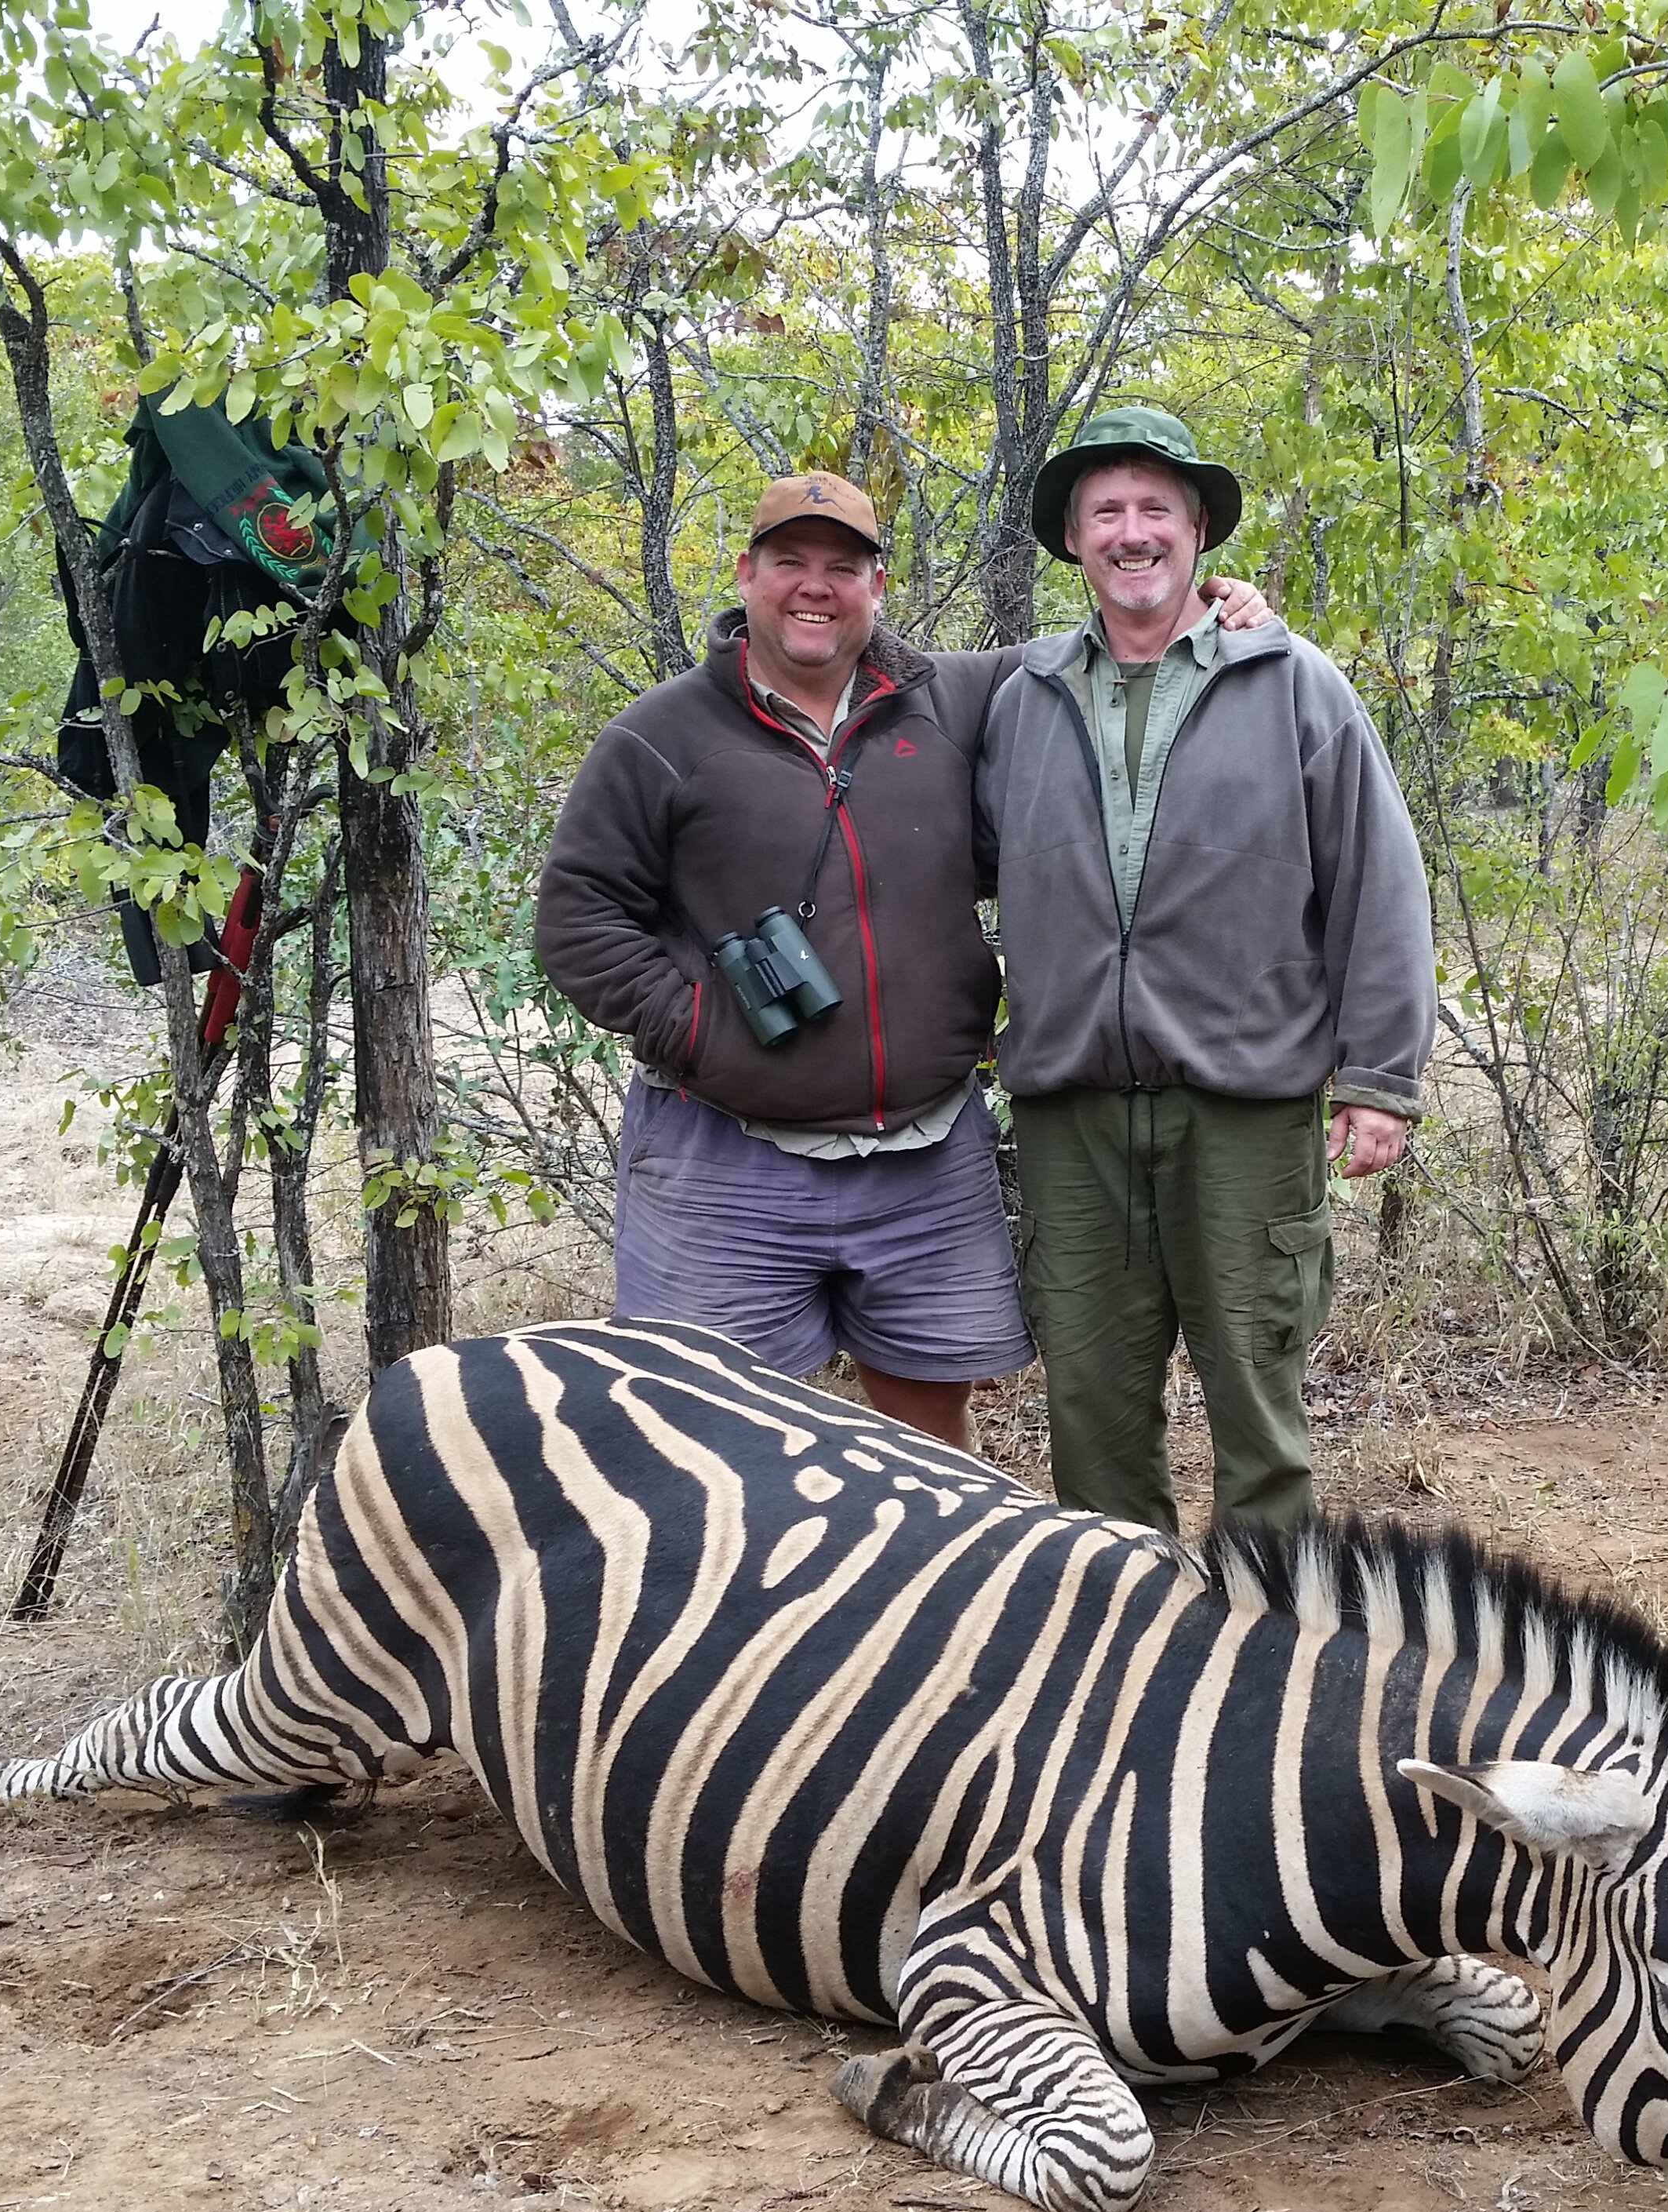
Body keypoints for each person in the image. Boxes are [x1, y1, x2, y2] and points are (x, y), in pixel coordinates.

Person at [533, 471, 1266, 1450]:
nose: (814, 588)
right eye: (789, 562)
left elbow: (1111, 644)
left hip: (925, 1157)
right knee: (706, 1446)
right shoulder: (660, 737)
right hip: (723, 1159)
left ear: (879, 587)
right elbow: (579, 921)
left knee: (932, 1443)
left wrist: (1213, 602)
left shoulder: (954, 700)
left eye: (843, 567)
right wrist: (699, 1029)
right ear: (746, 574)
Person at [977, 406, 1435, 1531]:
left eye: (1155, 511)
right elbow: (857, 670)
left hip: (1245, 1109)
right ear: (1074, 539)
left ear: (1197, 533)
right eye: (1107, 513)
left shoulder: (1291, 681)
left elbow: (1378, 882)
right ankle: (1127, 1670)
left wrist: (1379, 1080)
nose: (1133, 534)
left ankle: (1269, 1658)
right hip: (1070, 1113)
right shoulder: (1016, 696)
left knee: (1257, 1409)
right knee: (1089, 1415)